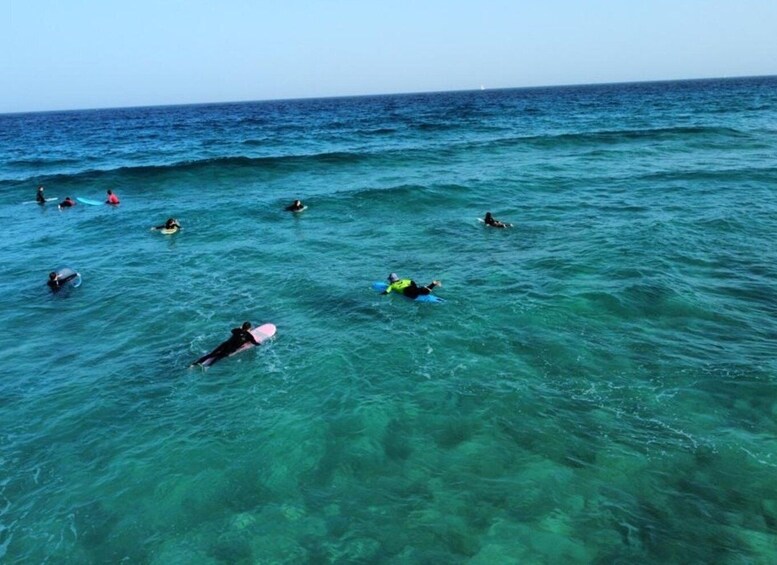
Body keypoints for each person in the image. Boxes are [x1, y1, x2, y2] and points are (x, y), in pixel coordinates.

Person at [192, 321, 260, 367]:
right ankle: (208, 366)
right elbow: (255, 343)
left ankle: (194, 364)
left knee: (211, 355)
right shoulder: (249, 336)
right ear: (249, 328)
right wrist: (260, 343)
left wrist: (240, 328)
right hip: (231, 349)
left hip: (225, 344)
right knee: (219, 357)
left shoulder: (237, 331)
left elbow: (232, 331)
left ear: (242, 326)